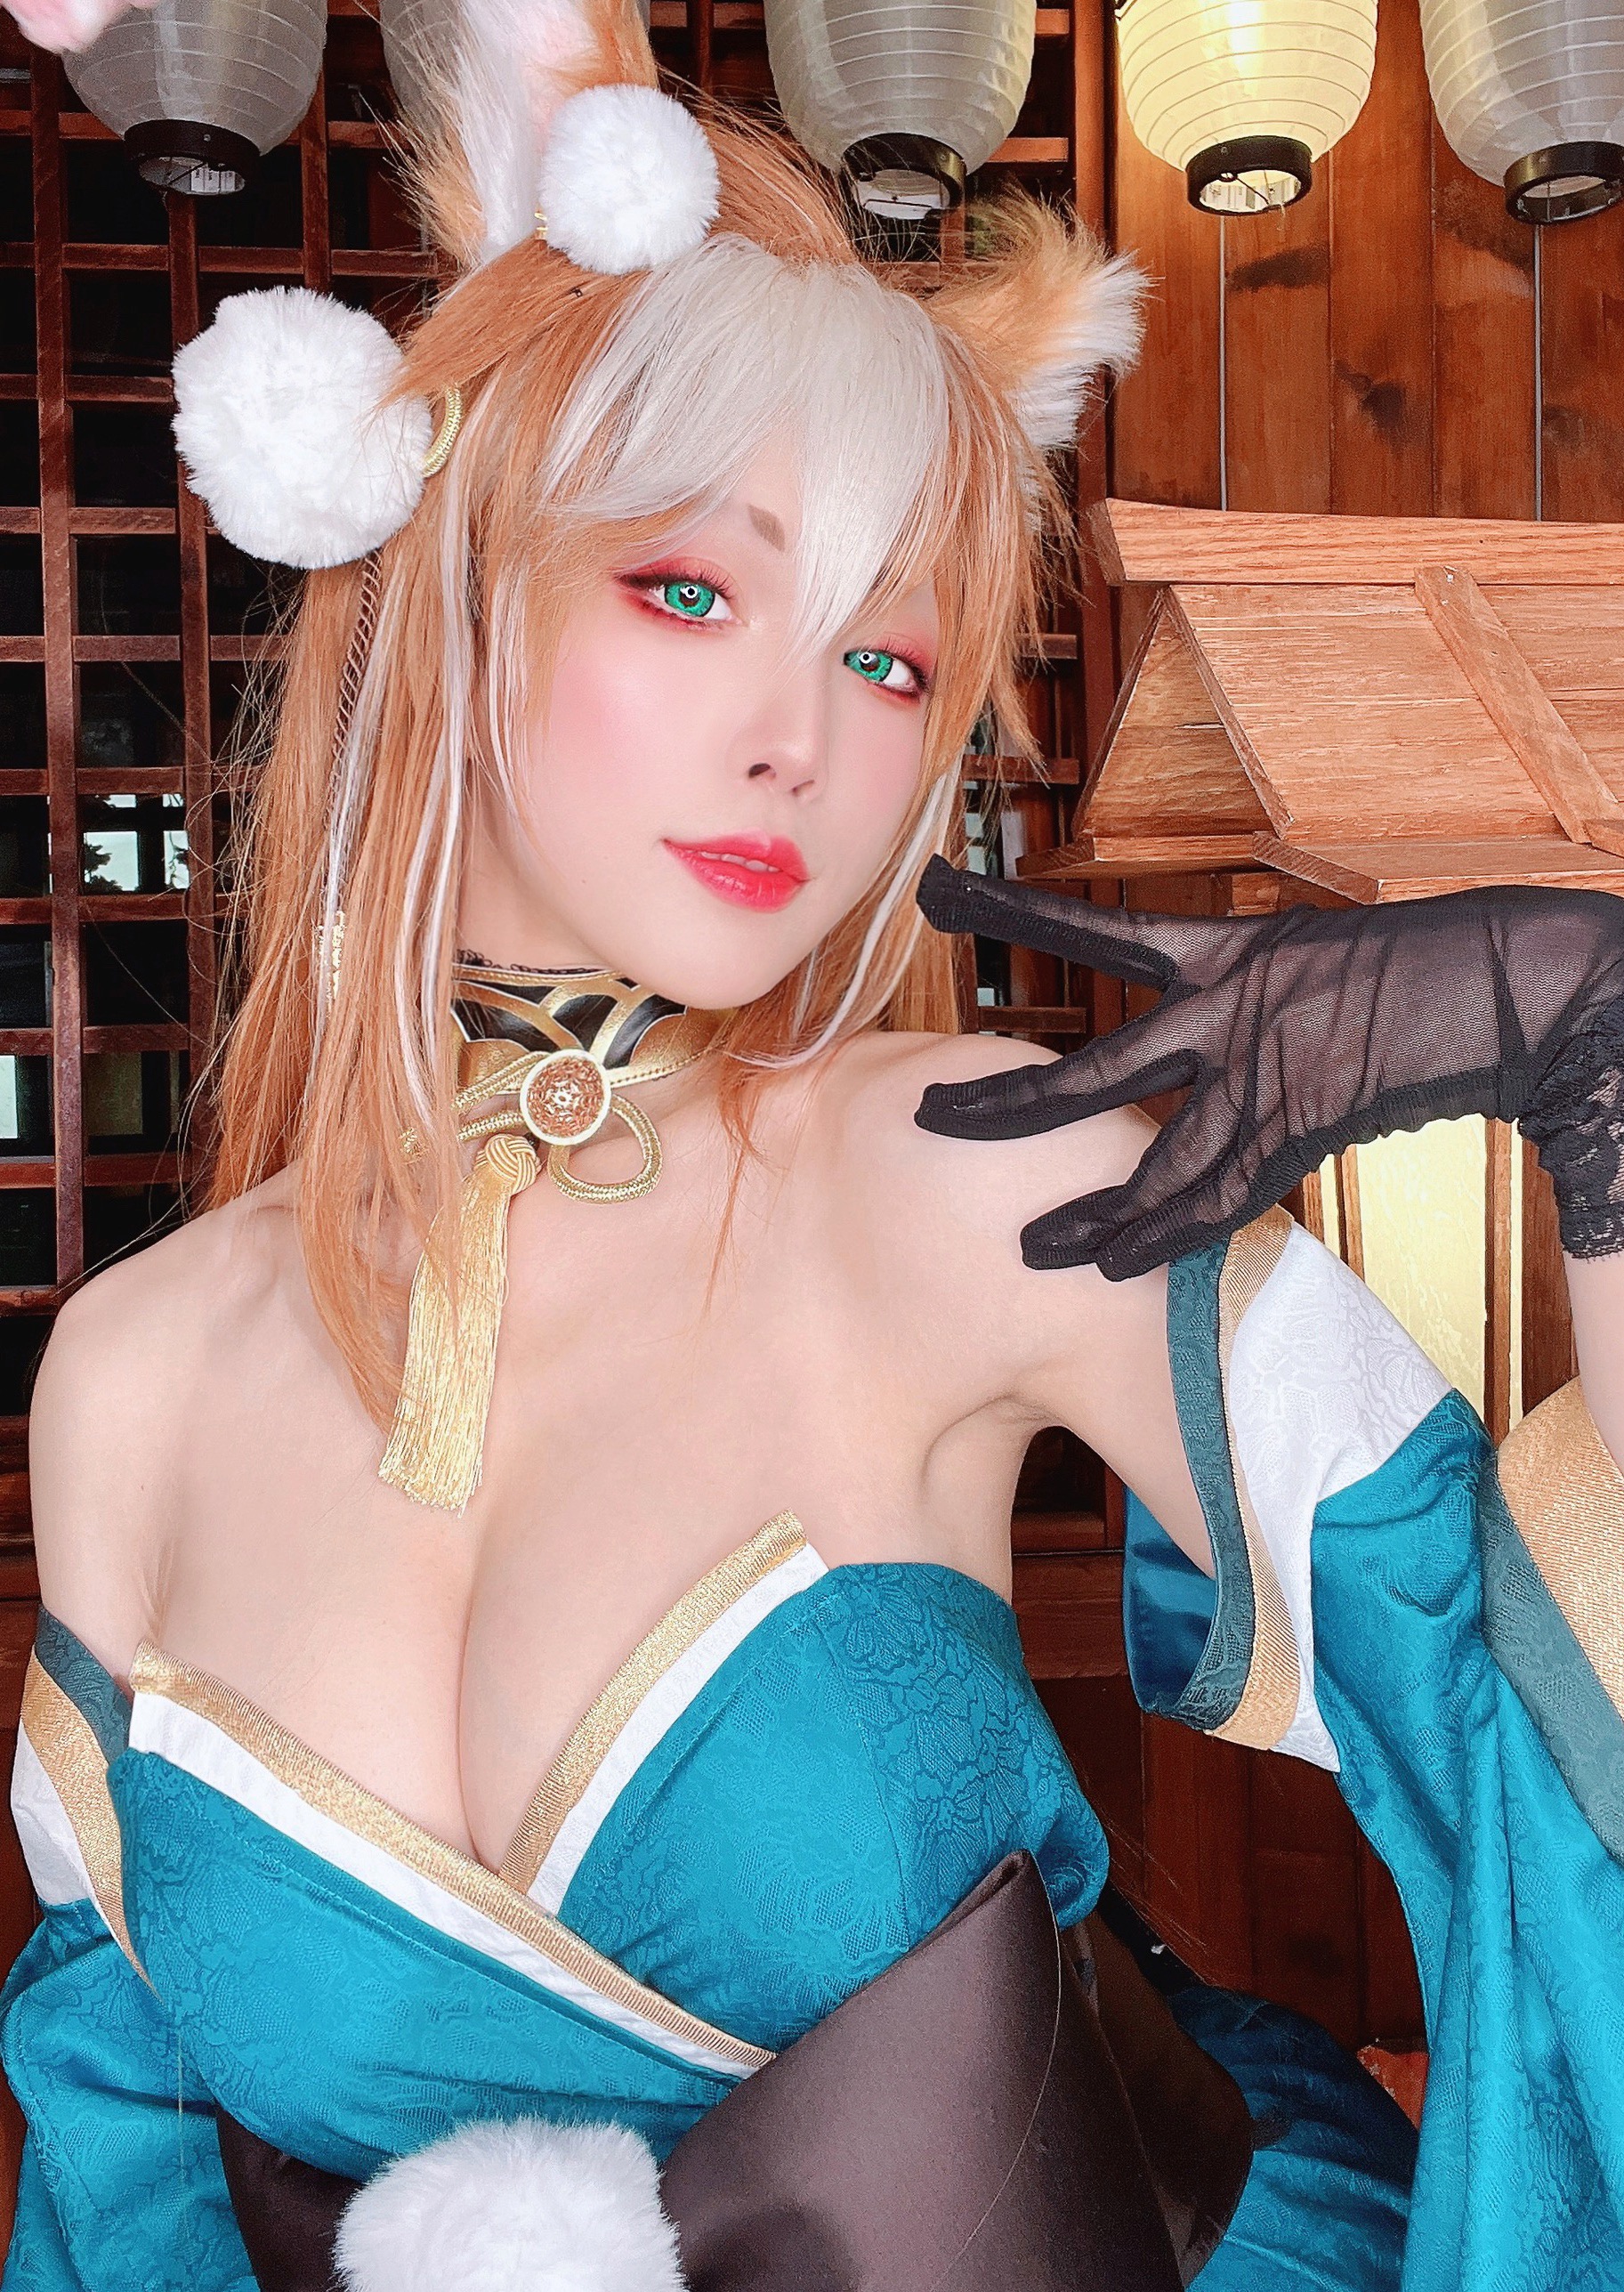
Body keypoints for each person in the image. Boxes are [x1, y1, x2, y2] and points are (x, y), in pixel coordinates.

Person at [3, 0, 1621, 2282]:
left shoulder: (980, 1167)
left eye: (887, 659)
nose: (800, 739)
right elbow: (124, 2170)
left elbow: (1548, 1716)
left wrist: (1595, 1048)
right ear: (455, 581)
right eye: (692, 588)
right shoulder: (133, 1375)